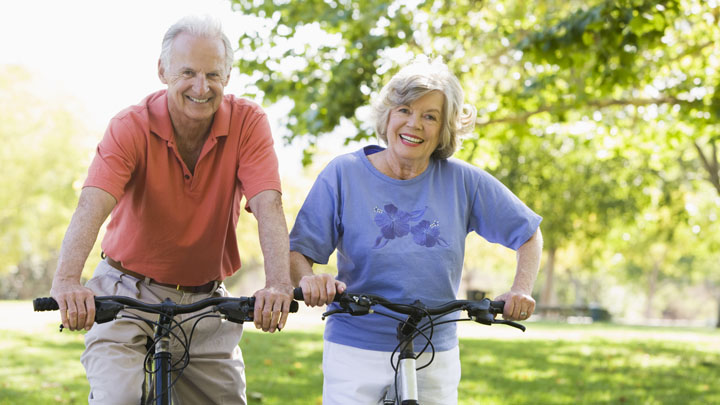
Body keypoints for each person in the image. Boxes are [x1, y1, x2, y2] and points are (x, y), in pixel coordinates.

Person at [49, 15, 293, 404]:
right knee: (119, 398)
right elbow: (93, 202)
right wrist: (66, 280)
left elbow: (269, 204)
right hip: (126, 292)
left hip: (206, 301)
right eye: (188, 72)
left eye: (213, 74)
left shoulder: (249, 122)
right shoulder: (130, 125)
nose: (201, 86)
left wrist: (279, 283)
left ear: (228, 76)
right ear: (162, 71)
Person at [289, 56, 543, 404]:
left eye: (430, 116)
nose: (415, 124)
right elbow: (299, 250)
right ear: (388, 116)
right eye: (405, 110)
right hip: (355, 346)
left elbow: (528, 233)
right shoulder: (343, 174)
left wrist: (520, 289)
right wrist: (309, 279)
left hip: (433, 349)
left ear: (444, 129)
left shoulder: (463, 181)